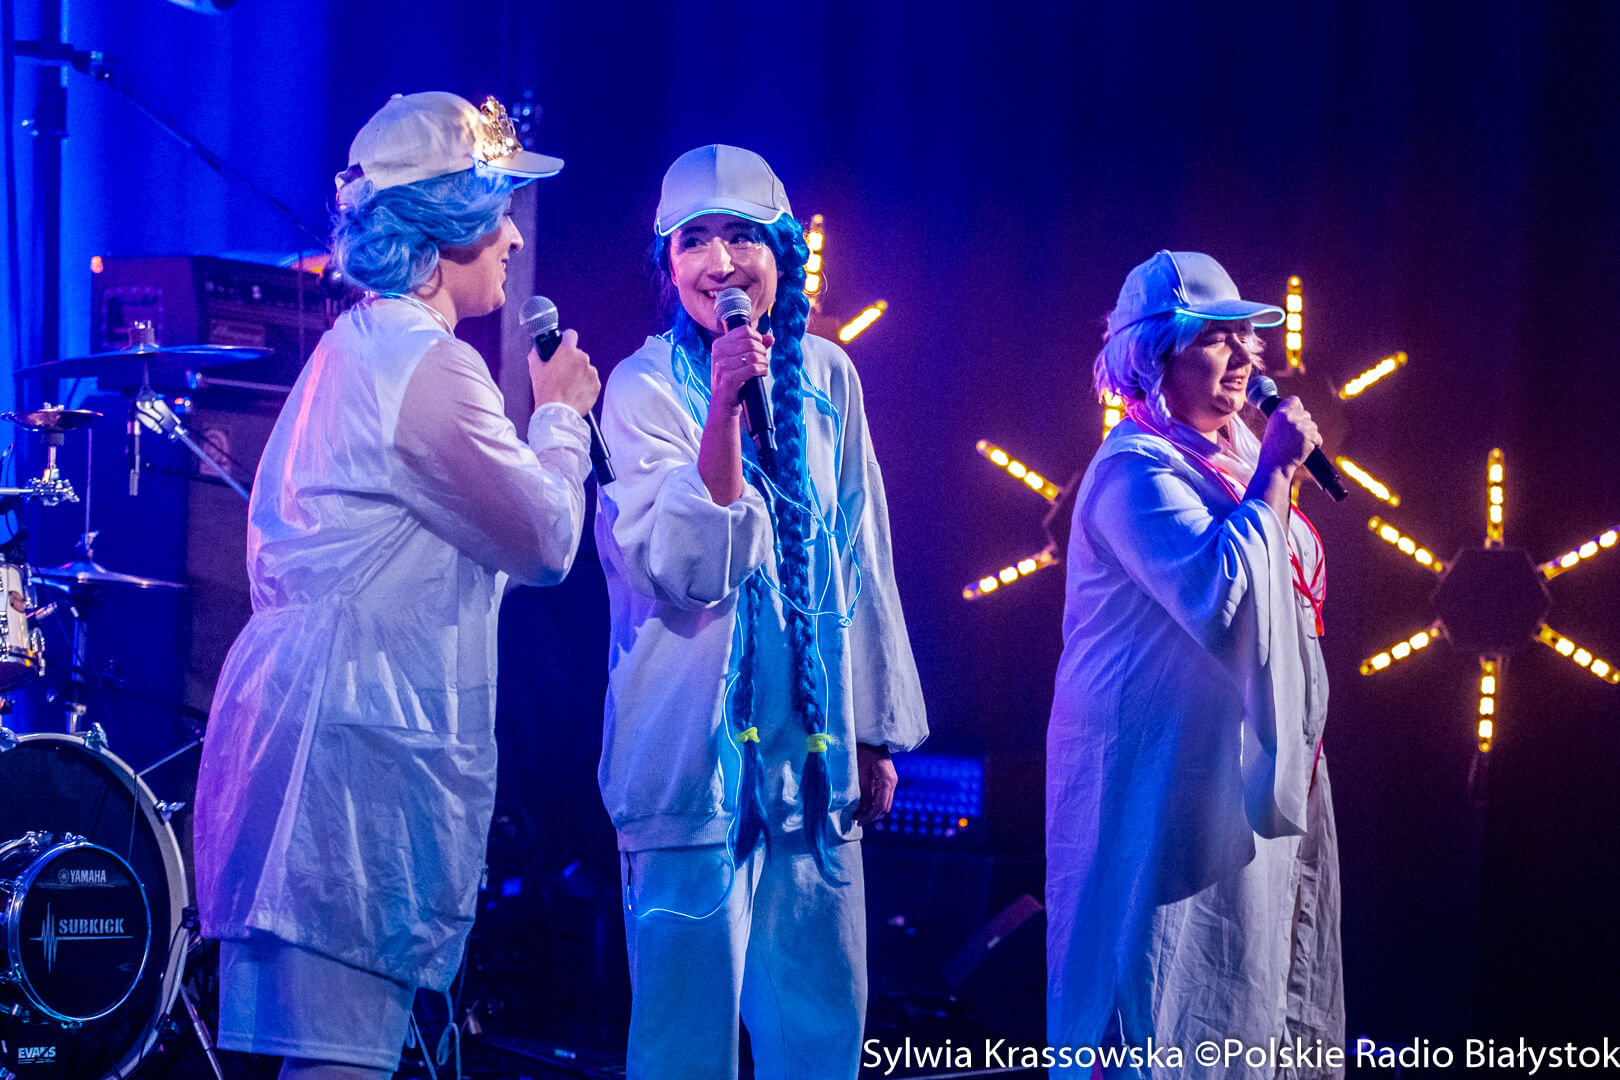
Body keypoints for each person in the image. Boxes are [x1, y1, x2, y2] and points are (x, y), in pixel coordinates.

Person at [194, 91, 600, 1080]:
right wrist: (560, 416)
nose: (514, 239)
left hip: (312, 746)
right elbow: (547, 541)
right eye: (499, 212)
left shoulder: (360, 348)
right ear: (449, 223)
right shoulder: (425, 366)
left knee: (326, 1063)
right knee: (339, 1067)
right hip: (347, 768)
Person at [594, 145, 928, 1080]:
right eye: (694, 241)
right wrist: (722, 411)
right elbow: (691, 565)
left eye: (742, 235)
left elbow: (862, 553)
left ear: (782, 251)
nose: (721, 263)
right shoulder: (642, 386)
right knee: (683, 1045)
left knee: (820, 1032)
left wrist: (874, 729)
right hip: (692, 762)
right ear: (668, 264)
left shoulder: (829, 376)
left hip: (809, 763)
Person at [1045, 251, 1343, 1078]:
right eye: (1216, 339)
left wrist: (1267, 469)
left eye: (1246, 338)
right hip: (1162, 785)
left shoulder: (1234, 450)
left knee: (1251, 992)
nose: (1245, 357)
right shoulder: (1134, 472)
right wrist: (1277, 472)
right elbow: (1224, 599)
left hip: (1239, 772)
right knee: (1163, 994)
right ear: (1154, 357)